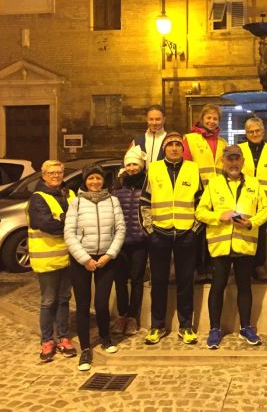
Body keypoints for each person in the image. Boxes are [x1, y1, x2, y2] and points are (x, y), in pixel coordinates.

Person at [195, 145, 267, 350]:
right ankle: (214, 329)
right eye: (229, 159)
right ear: (223, 161)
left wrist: (250, 223)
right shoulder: (214, 184)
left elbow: (265, 210)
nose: (233, 163)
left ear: (243, 161)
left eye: (237, 159)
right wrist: (218, 216)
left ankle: (246, 327)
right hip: (220, 245)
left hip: (244, 244)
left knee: (244, 286)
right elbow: (200, 212)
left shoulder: (254, 184)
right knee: (217, 287)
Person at [139, 132, 202, 346]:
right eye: (170, 145)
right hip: (160, 233)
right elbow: (145, 201)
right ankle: (157, 325)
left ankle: (186, 326)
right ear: (164, 149)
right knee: (158, 281)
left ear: (182, 149)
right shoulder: (154, 169)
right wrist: (150, 231)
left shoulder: (192, 169)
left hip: (186, 233)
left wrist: (194, 229)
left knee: (186, 282)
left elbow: (200, 202)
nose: (174, 148)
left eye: (177, 145)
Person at [64, 165, 125, 371]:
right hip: (82, 259)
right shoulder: (76, 203)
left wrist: (109, 255)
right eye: (91, 179)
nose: (95, 182)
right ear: (85, 181)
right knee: (82, 305)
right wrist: (84, 259)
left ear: (103, 181)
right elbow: (69, 233)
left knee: (101, 303)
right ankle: (85, 348)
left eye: (98, 178)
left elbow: (120, 230)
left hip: (106, 259)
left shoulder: (113, 200)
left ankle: (106, 337)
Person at [27, 159, 77, 363]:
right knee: (48, 301)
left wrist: (64, 220)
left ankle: (63, 337)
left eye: (59, 172)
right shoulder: (37, 198)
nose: (56, 176)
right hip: (47, 259)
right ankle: (47, 340)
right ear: (43, 175)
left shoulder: (70, 194)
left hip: (67, 257)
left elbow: (79, 219)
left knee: (64, 299)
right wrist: (68, 221)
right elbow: (47, 225)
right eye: (52, 173)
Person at [183, 104, 227, 282]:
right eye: (208, 118)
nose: (211, 121)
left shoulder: (223, 142)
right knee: (198, 234)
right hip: (198, 193)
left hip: (216, 194)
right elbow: (186, 165)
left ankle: (210, 267)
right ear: (202, 118)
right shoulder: (191, 138)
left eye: (215, 118)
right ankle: (198, 269)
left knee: (214, 231)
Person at [110, 146, 148, 336]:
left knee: (137, 279)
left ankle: (133, 316)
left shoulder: (147, 185)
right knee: (120, 279)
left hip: (140, 241)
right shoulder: (118, 186)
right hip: (121, 242)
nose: (132, 168)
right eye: (129, 165)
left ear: (141, 166)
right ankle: (122, 314)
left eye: (135, 164)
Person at [239, 116, 267, 282]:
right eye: (251, 131)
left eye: (257, 131)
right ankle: (244, 265)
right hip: (244, 196)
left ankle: (259, 265)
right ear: (246, 133)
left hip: (266, 196)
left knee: (261, 230)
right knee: (243, 229)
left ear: (263, 132)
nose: (254, 134)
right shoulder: (239, 148)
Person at [129, 104, 167, 170]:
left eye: (158, 119)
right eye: (151, 119)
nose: (154, 123)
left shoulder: (170, 140)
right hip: (141, 180)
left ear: (164, 119)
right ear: (147, 119)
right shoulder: (138, 141)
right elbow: (127, 161)